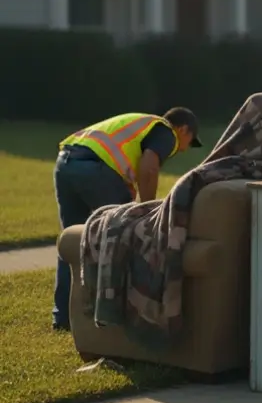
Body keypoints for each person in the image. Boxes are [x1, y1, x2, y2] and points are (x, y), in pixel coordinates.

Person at [51, 107, 203, 330]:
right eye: (190, 142)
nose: (185, 149)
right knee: (124, 238)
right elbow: (149, 167)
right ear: (183, 129)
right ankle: (118, 314)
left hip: (65, 164)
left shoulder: (139, 125)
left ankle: (62, 317)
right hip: (95, 170)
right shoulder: (166, 131)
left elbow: (126, 161)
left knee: (73, 242)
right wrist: (147, 211)